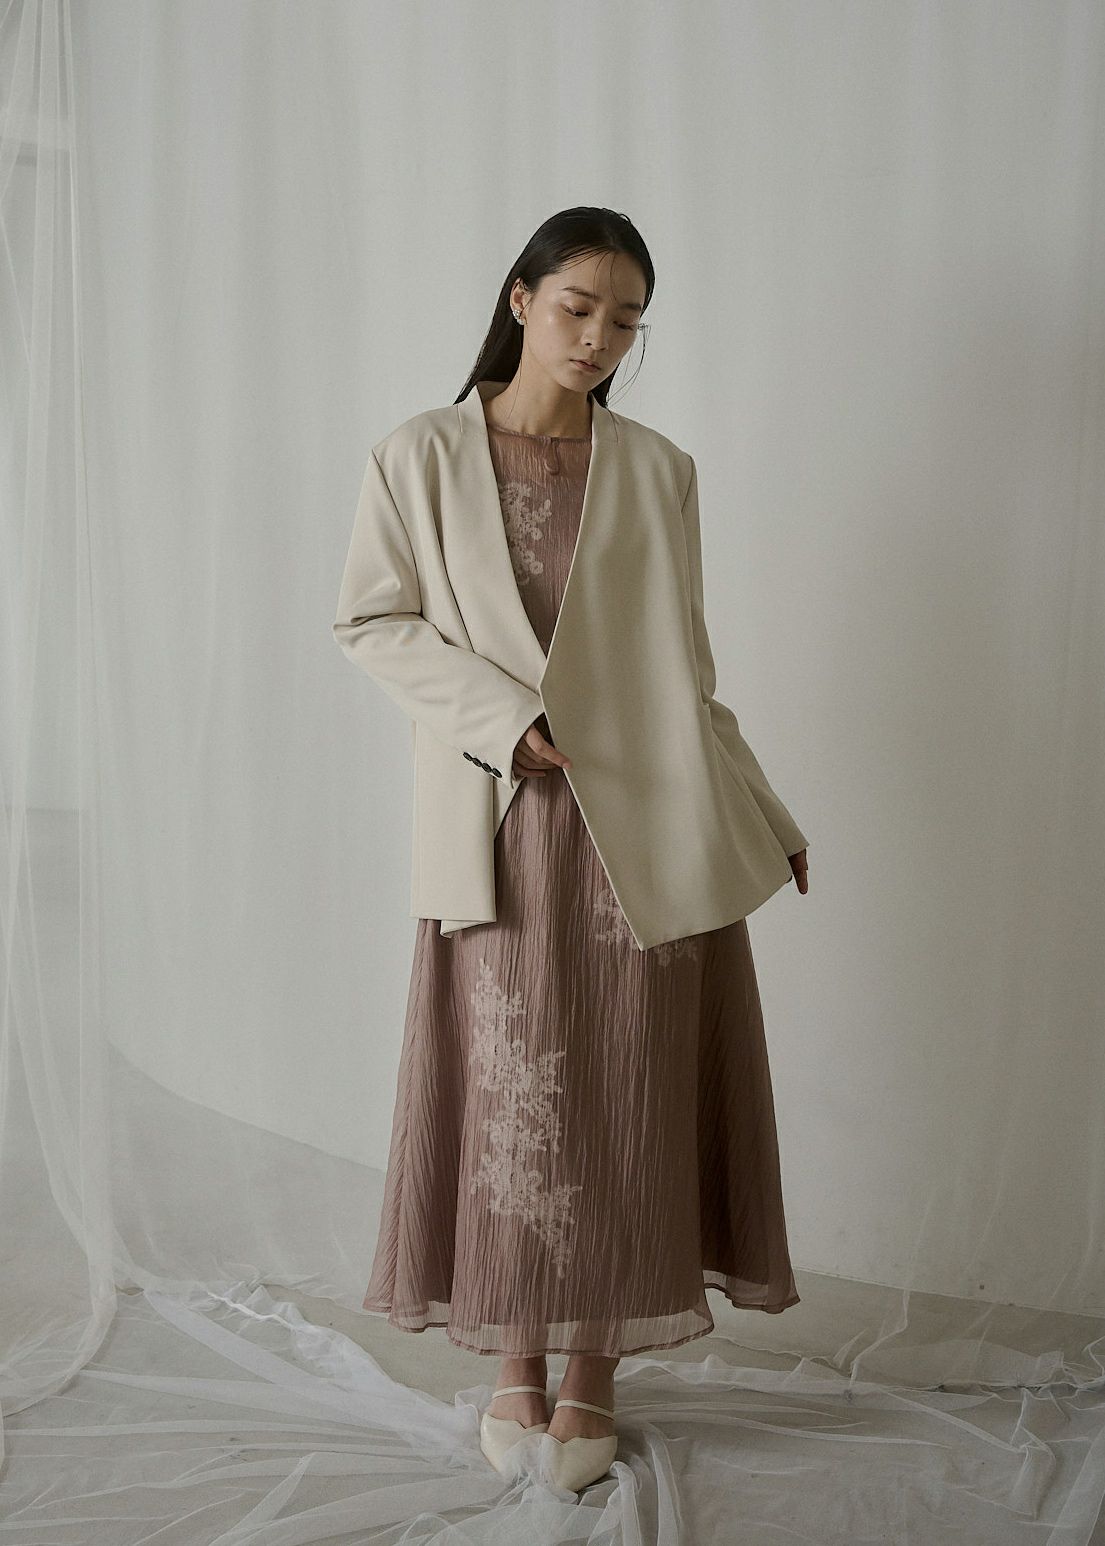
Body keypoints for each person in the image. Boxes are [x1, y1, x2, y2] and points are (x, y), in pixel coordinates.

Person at [333, 207, 810, 1492]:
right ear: (520, 299)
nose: (599, 337)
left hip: (644, 832)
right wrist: (503, 718)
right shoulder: (418, 454)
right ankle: (515, 1367)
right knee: (513, 1098)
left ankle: (593, 1373)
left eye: (626, 319)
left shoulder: (658, 470)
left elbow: (687, 675)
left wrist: (762, 813)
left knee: (627, 1094)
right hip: (499, 827)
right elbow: (370, 621)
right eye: (578, 307)